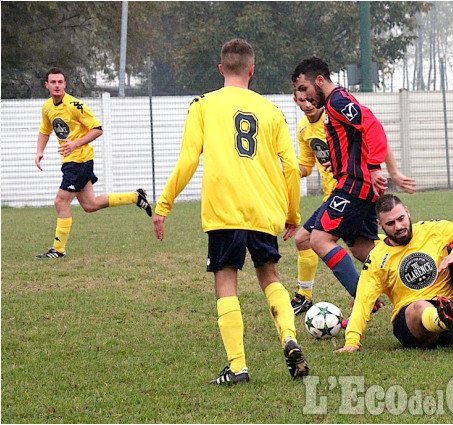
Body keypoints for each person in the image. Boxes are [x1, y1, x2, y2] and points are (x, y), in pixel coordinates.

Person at [153, 39, 308, 385]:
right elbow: (291, 169)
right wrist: (292, 213)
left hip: (224, 211)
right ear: (252, 70)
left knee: (225, 280)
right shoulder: (272, 111)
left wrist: (163, 205)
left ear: (221, 69)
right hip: (266, 209)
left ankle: (238, 367)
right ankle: (288, 337)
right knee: (270, 276)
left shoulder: (203, 105)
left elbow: (188, 160)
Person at [289, 89, 416, 315]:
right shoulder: (303, 129)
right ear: (295, 100)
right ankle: (414, 269)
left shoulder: (337, 114)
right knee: (362, 249)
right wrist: (283, 171)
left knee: (309, 238)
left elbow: (375, 134)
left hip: (350, 192)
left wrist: (393, 172)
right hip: (342, 193)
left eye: (310, 99)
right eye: (302, 100)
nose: (307, 105)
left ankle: (313, 295)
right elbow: (306, 166)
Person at [336, 194, 453, 352]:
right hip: (410, 322)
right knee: (419, 306)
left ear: (407, 212)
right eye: (390, 223)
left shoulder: (433, 230)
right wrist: (352, 342)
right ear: (380, 224)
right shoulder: (376, 258)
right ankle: (441, 320)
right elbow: (363, 302)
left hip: (448, 308)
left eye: (401, 218)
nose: (398, 226)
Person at [35, 67, 152, 259]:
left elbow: (97, 129)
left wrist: (75, 144)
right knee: (90, 205)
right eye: (53, 82)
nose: (57, 86)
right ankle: (136, 197)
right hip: (70, 162)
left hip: (80, 161)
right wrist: (39, 151)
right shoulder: (47, 107)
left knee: (60, 201)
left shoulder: (75, 105)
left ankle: (58, 249)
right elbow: (44, 130)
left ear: (65, 84)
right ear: (46, 85)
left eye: (60, 82)